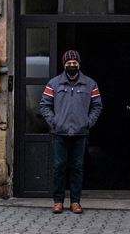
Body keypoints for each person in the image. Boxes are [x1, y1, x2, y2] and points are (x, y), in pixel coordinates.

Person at [39, 50, 102, 214]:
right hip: (60, 133)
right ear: (64, 65)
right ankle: (58, 201)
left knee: (77, 168)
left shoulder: (90, 84)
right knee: (59, 167)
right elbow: (44, 105)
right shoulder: (54, 84)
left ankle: (75, 202)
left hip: (80, 133)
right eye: (69, 63)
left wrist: (88, 123)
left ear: (79, 64)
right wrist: (54, 122)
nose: (72, 65)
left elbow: (97, 106)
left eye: (75, 63)